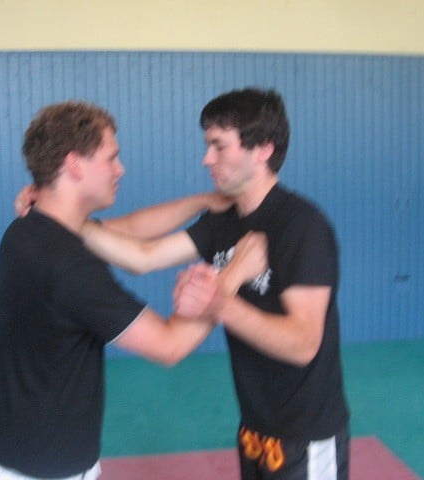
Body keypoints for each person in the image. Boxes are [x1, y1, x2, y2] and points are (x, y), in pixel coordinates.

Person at [70, 87, 351, 480]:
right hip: (255, 428)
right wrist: (60, 219)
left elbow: (304, 344)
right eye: (207, 146)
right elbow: (142, 256)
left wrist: (218, 301)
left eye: (219, 147)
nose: (207, 159)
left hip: (307, 436)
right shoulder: (223, 222)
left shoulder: (301, 227)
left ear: (263, 149)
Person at [0, 101, 267, 480]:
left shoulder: (28, 229)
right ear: (74, 164)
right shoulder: (69, 267)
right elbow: (169, 345)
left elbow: (129, 229)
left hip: (12, 454)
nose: (120, 168)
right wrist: (234, 271)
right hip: (44, 472)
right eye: (111, 158)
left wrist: (203, 202)